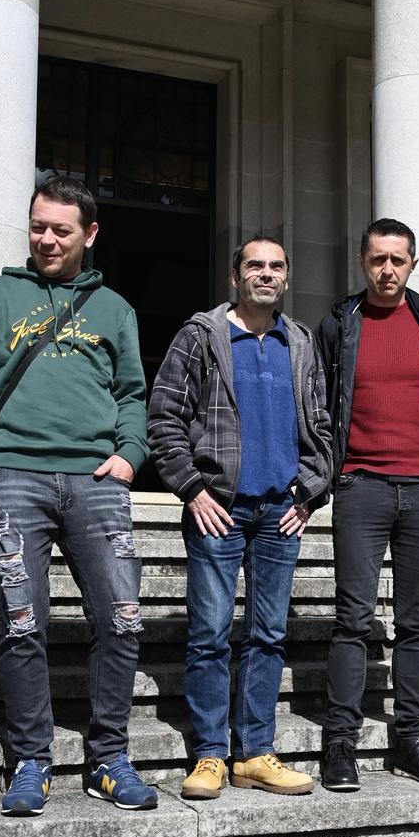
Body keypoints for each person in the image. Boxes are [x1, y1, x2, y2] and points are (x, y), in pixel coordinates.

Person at [0, 175, 156, 815]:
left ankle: (108, 758)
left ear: (89, 234)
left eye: (61, 229)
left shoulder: (114, 308)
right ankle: (32, 759)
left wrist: (129, 456)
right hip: (12, 476)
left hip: (95, 483)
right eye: (38, 226)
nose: (46, 238)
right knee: (19, 623)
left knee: (121, 621)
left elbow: (132, 396)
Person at [148, 237, 332, 798]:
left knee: (269, 635)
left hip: (280, 512)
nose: (267, 274)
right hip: (219, 510)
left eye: (277, 266)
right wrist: (192, 489)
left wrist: (308, 495)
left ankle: (255, 751)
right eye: (256, 265)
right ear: (236, 275)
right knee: (208, 634)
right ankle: (209, 755)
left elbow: (324, 428)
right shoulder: (202, 337)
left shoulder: (298, 342)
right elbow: (163, 420)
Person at [315, 218, 419, 790]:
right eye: (378, 259)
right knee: (353, 620)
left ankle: (411, 741)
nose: (388, 269)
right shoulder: (340, 322)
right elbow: (319, 401)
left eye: (398, 260)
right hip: (361, 485)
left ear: (412, 263)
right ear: (363, 261)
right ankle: (340, 744)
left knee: (415, 623)